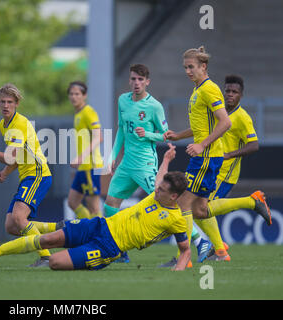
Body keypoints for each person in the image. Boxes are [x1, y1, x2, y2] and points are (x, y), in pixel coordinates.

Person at [0, 144, 192, 271]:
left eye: (162, 190)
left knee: (54, 263)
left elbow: (185, 251)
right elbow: (160, 177)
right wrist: (166, 159)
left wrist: (178, 270)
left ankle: (81, 256)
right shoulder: (158, 195)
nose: (156, 191)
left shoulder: (176, 220)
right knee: (48, 239)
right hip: (99, 225)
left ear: (174, 196)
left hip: (108, 248)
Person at [162, 46, 271, 266]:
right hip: (207, 157)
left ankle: (186, 257)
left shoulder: (209, 90)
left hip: (207, 158)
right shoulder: (197, 90)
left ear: (203, 67)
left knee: (180, 201)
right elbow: (202, 126)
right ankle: (251, 202)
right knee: (200, 210)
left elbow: (226, 122)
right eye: (185, 67)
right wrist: (178, 135)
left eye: (191, 67)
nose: (187, 71)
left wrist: (202, 145)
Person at [0, 83, 55, 267]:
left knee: (19, 218)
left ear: (17, 104)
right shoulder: (3, 125)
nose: (6, 105)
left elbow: (9, 156)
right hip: (27, 176)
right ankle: (56, 232)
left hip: (38, 174)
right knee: (11, 225)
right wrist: (6, 172)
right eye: (2, 101)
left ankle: (47, 257)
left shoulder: (20, 124)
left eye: (10, 102)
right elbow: (17, 157)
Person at [104, 64, 169, 262]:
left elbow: (166, 135)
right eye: (133, 79)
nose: (136, 83)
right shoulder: (123, 100)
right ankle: (118, 249)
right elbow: (122, 129)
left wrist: (148, 134)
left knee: (166, 203)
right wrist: (112, 155)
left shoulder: (154, 106)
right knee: (110, 206)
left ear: (147, 82)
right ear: (129, 80)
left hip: (145, 165)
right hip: (126, 165)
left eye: (141, 79)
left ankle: (199, 242)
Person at [200, 74, 259, 261]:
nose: (230, 95)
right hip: (211, 169)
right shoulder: (218, 112)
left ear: (241, 95)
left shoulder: (242, 117)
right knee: (197, 209)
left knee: (201, 209)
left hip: (226, 175)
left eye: (234, 92)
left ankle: (218, 249)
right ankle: (218, 247)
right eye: (227, 91)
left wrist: (229, 155)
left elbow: (254, 145)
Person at [66, 81, 104, 219]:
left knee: (94, 207)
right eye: (71, 94)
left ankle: (99, 236)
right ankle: (88, 229)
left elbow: (99, 137)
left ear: (84, 95)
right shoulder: (78, 114)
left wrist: (81, 157)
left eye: (77, 94)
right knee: (72, 202)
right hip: (83, 166)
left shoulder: (88, 112)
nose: (73, 97)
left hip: (90, 166)